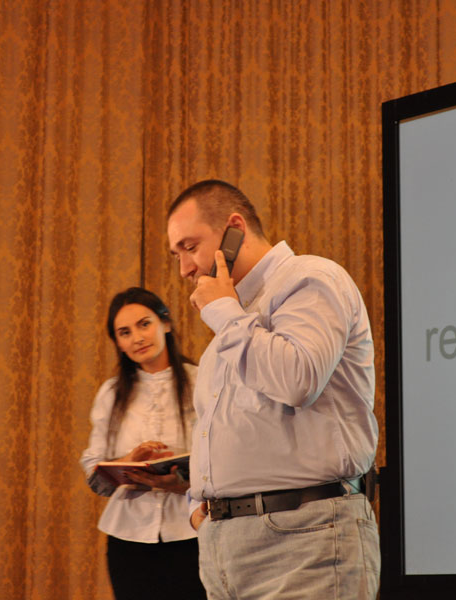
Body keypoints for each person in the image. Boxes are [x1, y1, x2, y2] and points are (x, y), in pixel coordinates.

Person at [166, 180, 381, 599]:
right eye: (176, 255)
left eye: (190, 247)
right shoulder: (230, 329)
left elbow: (298, 379)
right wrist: (199, 509)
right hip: (223, 552)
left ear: (234, 229)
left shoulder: (310, 278)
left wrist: (222, 310)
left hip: (305, 539)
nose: (185, 269)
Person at [79, 287, 206, 600]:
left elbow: (226, 457)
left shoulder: (203, 381)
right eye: (124, 332)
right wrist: (128, 460)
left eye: (144, 324)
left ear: (166, 323)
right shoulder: (111, 393)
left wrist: (184, 483)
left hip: (192, 531)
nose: (137, 338)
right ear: (118, 343)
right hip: (129, 538)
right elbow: (93, 469)